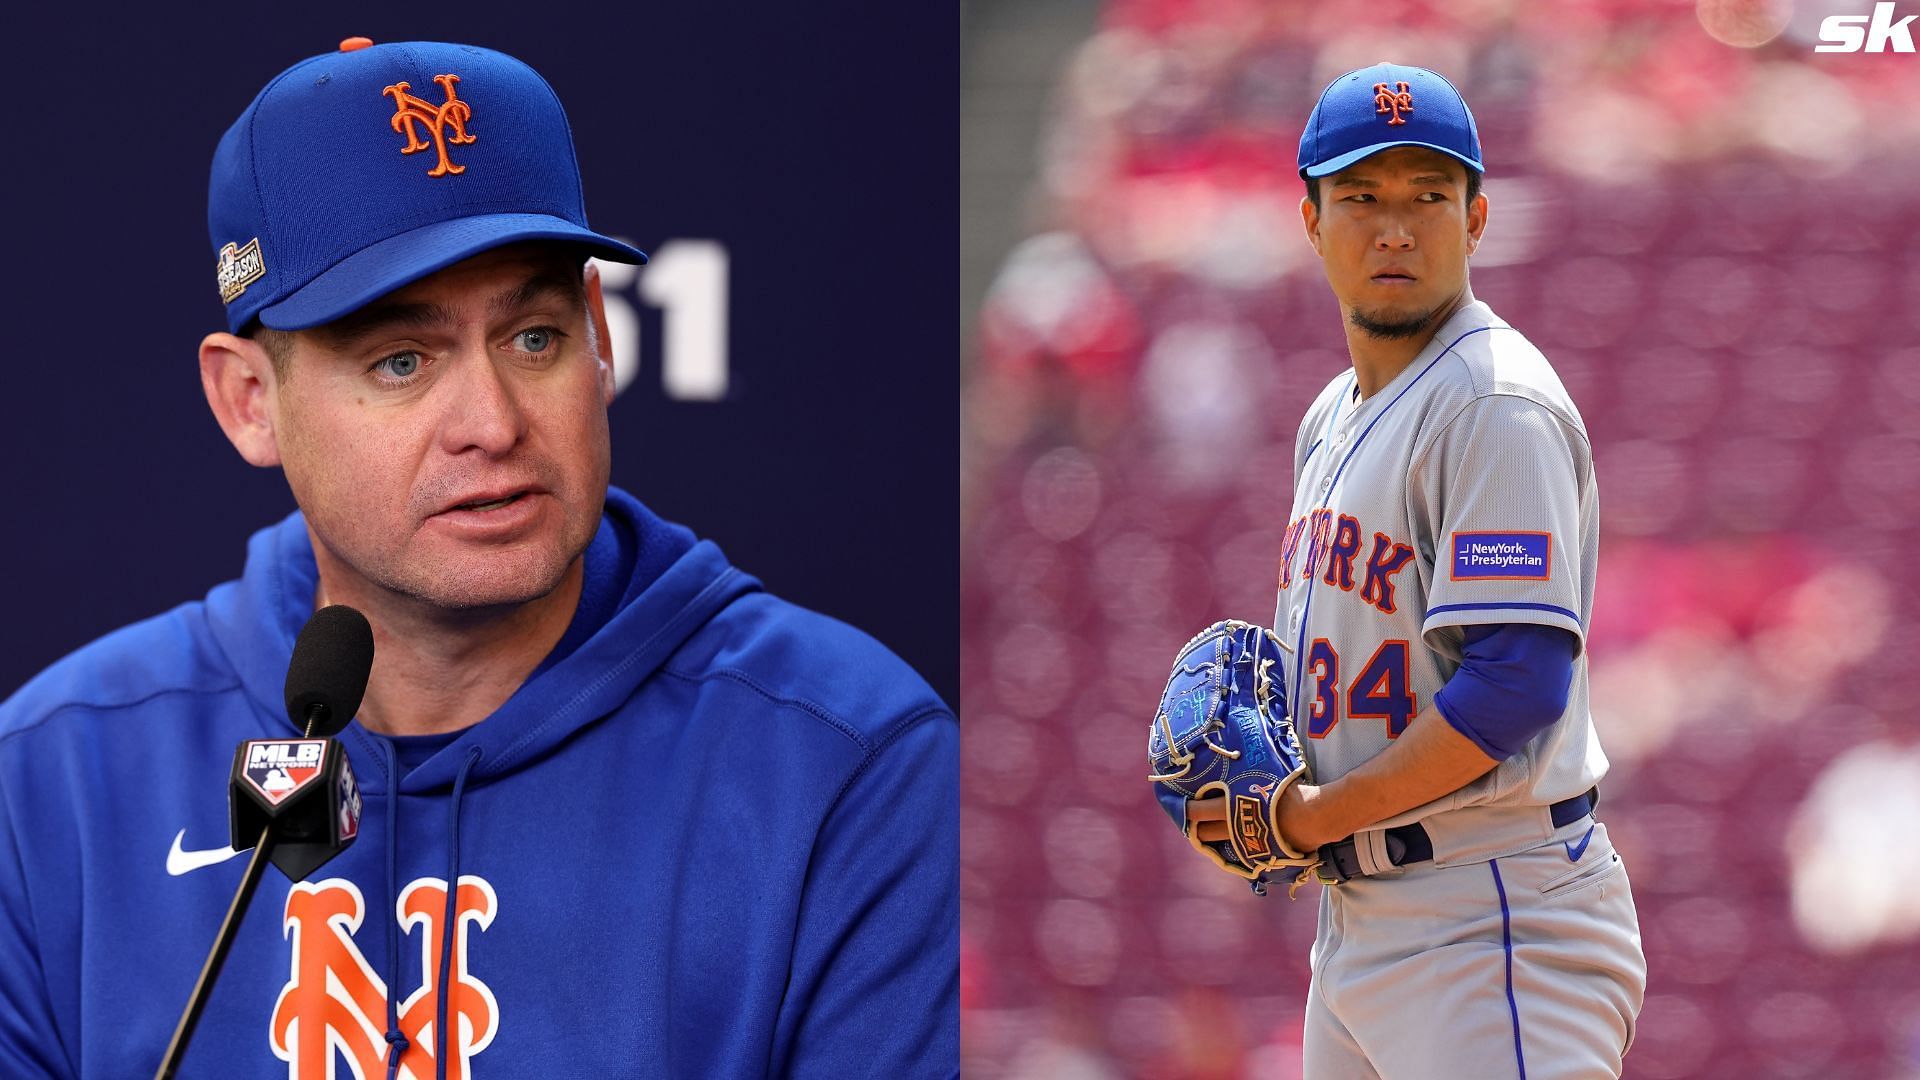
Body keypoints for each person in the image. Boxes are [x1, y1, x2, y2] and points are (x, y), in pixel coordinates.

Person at [0, 38, 956, 1080]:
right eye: (401, 361)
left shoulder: (850, 764)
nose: (492, 424)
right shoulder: (51, 783)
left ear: (600, 336)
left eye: (533, 338)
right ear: (248, 401)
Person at [1181, 64, 1645, 1077]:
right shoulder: (1328, 419)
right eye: (1360, 197)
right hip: (1365, 919)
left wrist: (1305, 816)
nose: (1396, 227)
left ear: (1477, 220)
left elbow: (1516, 683)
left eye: (1428, 196)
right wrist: (1277, 791)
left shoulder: (1493, 403)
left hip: (1490, 920)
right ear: (1309, 220)